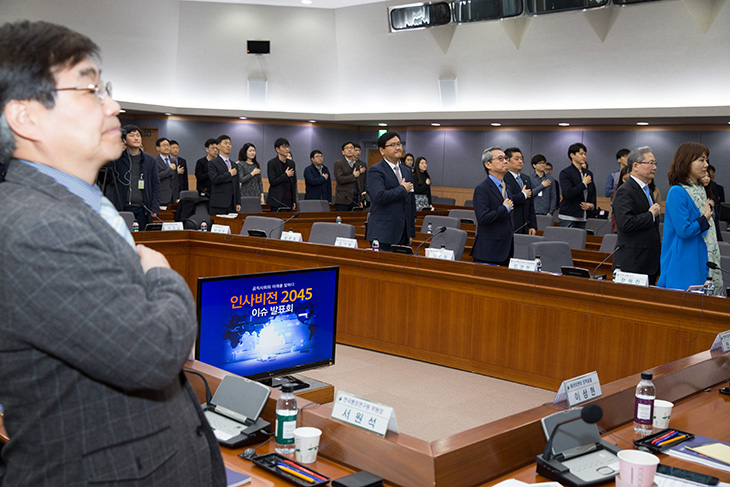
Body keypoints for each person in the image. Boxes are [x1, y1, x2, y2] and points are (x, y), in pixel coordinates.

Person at [0, 20, 225, 486]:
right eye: (91, 90)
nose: (115, 105)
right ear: (26, 117)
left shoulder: (81, 204)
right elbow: (156, 352)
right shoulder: (37, 225)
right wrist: (161, 275)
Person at [658, 142, 723, 295]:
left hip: (700, 259)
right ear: (686, 162)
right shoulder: (677, 191)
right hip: (683, 263)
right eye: (701, 160)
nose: (706, 164)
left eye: (706, 160)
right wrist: (705, 218)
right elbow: (684, 231)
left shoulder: (700, 190)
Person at [611, 146, 662, 284]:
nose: (655, 167)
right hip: (632, 262)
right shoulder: (625, 191)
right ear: (636, 166)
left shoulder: (647, 191)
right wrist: (650, 215)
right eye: (650, 163)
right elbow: (626, 223)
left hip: (648, 262)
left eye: (655, 163)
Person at [365, 131, 416, 251]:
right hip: (383, 232)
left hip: (403, 233)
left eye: (399, 144)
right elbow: (379, 196)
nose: (398, 148)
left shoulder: (407, 170)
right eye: (392, 145)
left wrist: (410, 232)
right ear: (382, 151)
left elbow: (410, 203)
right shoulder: (375, 170)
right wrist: (402, 189)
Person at [104, 124, 161, 230]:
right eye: (132, 135)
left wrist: (154, 207)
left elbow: (156, 185)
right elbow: (107, 180)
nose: (136, 138)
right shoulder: (116, 158)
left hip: (143, 209)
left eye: (138, 135)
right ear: (124, 140)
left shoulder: (150, 160)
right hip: (121, 208)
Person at [470, 147, 514, 265]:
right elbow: (483, 218)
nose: (505, 161)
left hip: (506, 250)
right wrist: (504, 209)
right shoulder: (482, 188)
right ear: (488, 164)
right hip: (488, 251)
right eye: (500, 159)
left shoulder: (507, 187)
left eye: (505, 158)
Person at [558, 142, 596, 229]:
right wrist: (583, 184)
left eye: (585, 154)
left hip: (583, 216)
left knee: (580, 241)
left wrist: (591, 205)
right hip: (568, 215)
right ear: (572, 155)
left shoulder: (588, 173)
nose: (584, 156)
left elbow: (592, 192)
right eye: (581, 154)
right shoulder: (565, 173)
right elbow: (568, 193)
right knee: (568, 241)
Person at [503, 147, 537, 235]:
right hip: (511, 224)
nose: (520, 161)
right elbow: (507, 199)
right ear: (507, 161)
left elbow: (531, 204)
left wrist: (533, 225)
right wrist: (523, 195)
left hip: (525, 225)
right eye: (516, 159)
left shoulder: (526, 179)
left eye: (522, 159)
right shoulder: (503, 178)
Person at [208, 134, 240, 214]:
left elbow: (236, 184)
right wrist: (229, 174)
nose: (228, 146)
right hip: (219, 203)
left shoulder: (234, 164)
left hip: (232, 204)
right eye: (225, 143)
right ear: (218, 146)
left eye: (229, 144)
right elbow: (214, 179)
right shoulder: (213, 163)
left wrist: (238, 202)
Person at [266, 137, 297, 211]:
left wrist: (294, 200)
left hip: (289, 199)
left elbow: (293, 183)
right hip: (277, 200)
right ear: (277, 149)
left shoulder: (291, 163)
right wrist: (285, 175)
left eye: (288, 147)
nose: (287, 149)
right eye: (284, 147)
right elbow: (273, 181)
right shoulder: (272, 163)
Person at [334, 141, 364, 211]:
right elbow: (340, 179)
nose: (350, 150)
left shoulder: (357, 164)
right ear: (343, 152)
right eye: (347, 148)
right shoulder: (338, 163)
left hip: (356, 199)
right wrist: (353, 176)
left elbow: (358, 182)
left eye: (351, 148)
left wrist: (361, 199)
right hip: (343, 199)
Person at [155, 136, 177, 205]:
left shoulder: (173, 160)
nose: (167, 147)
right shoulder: (155, 161)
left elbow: (176, 178)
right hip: (162, 195)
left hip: (173, 195)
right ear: (158, 148)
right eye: (164, 145)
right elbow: (157, 176)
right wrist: (169, 169)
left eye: (168, 145)